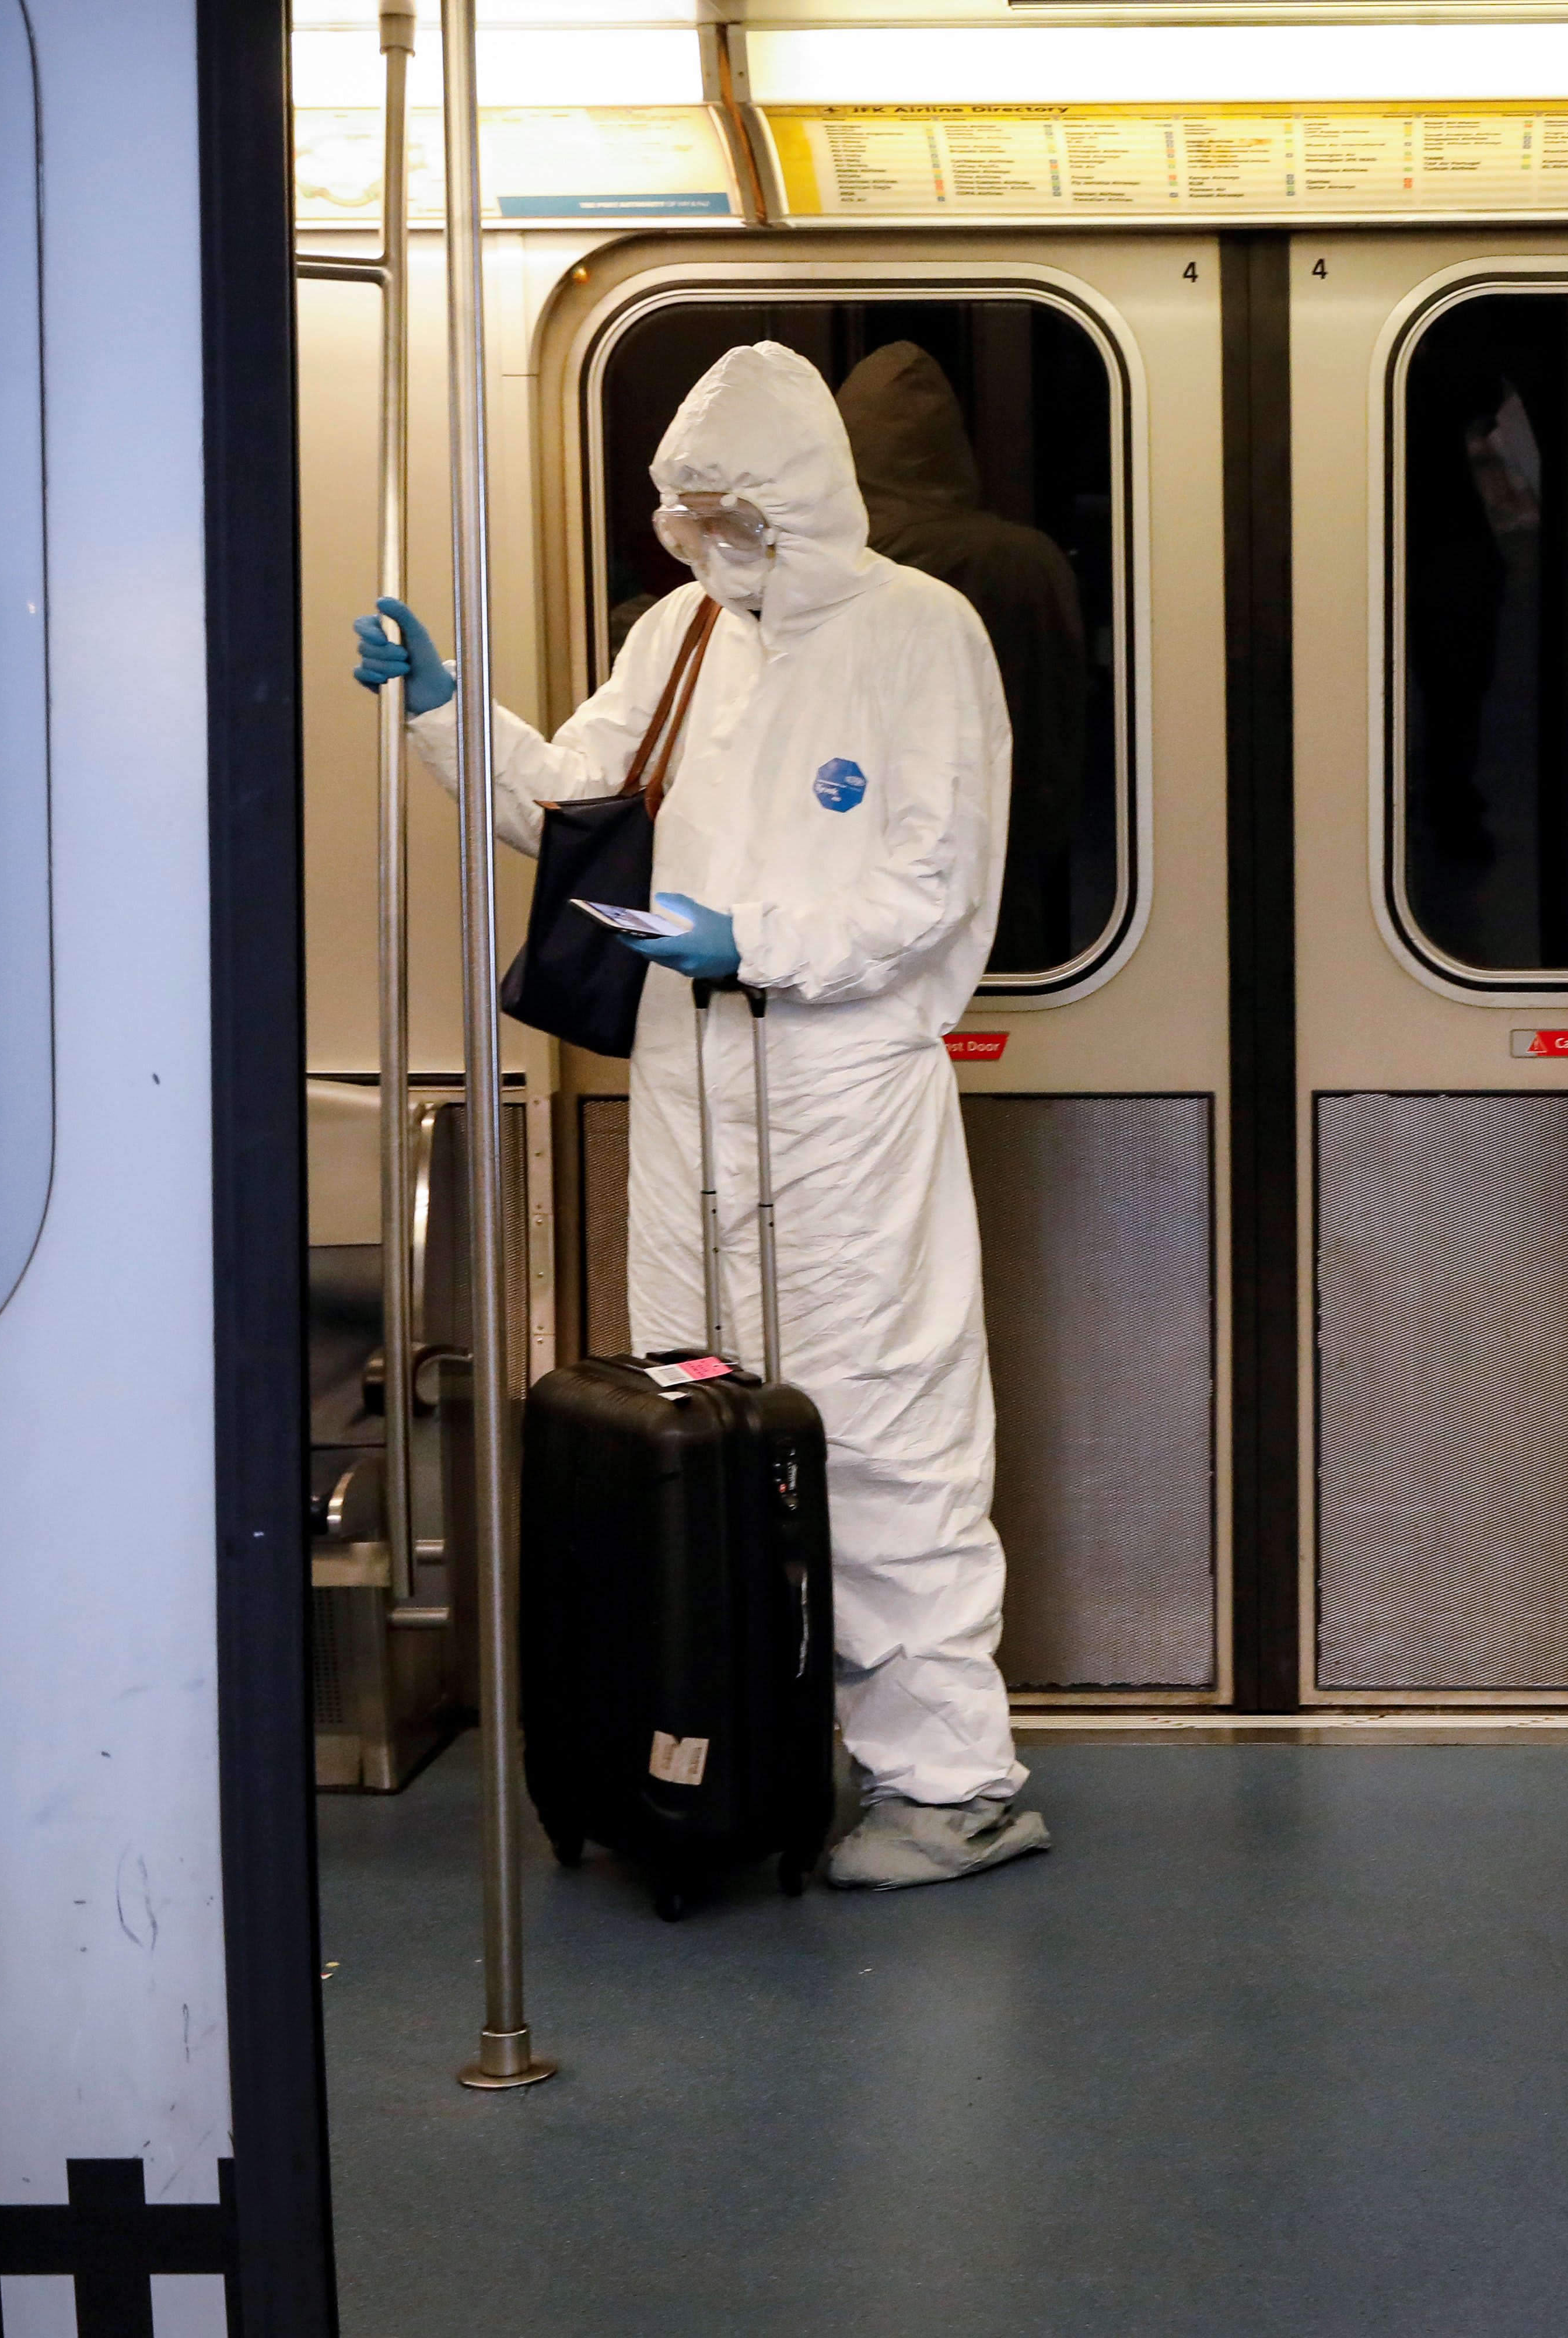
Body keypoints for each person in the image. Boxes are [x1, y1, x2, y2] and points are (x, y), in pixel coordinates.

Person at [352, 341, 1052, 1892]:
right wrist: (448, 717)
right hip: (685, 1078)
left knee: (879, 1427)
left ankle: (954, 1781)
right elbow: (573, 803)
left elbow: (927, 881)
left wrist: (762, 944)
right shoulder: (676, 634)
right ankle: (734, 1736)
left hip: (842, 1083)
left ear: (809, 500)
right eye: (693, 514)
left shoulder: (919, 632)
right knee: (702, 1414)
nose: (716, 541)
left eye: (744, 512)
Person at [830, 342, 1088, 968]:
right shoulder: (1030, 564)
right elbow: (1056, 738)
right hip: (1001, 889)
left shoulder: (814, 569)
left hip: (842, 902)